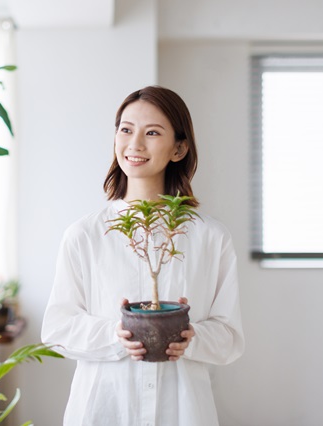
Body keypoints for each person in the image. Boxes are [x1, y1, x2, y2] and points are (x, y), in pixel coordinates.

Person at [41, 86, 245, 426]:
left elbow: (230, 337)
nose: (134, 144)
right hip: (103, 410)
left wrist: (190, 337)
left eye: (152, 133)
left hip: (182, 412)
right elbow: (58, 328)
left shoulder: (210, 237)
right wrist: (116, 335)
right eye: (126, 129)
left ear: (179, 148)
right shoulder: (85, 235)